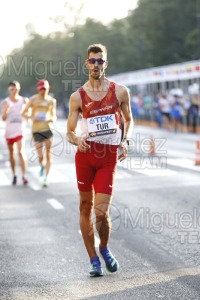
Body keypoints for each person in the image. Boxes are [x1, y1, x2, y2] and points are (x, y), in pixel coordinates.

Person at [67, 44, 133, 277]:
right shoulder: (77, 97)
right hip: (85, 157)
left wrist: (125, 141)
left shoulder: (120, 91)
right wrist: (76, 140)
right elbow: (70, 131)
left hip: (107, 157)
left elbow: (128, 119)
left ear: (106, 64)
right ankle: (93, 260)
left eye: (100, 61)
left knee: (101, 213)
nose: (96, 64)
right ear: (87, 64)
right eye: (92, 61)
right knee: (85, 206)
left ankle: (103, 247)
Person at [22, 80, 56, 187]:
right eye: (41, 89)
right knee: (41, 157)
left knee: (49, 155)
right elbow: (24, 113)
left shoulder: (51, 101)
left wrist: (51, 119)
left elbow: (53, 115)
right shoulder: (33, 99)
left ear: (48, 88)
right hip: (36, 130)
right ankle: (42, 165)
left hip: (48, 129)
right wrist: (32, 117)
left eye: (45, 89)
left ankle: (46, 178)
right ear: (38, 89)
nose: (43, 91)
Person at [1, 81, 28, 185]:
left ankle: (24, 176)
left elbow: (28, 115)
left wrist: (27, 115)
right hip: (9, 131)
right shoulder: (5, 102)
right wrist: (6, 110)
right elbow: (3, 119)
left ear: (19, 89)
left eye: (16, 89)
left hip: (20, 130)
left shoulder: (24, 101)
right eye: (12, 89)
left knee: (21, 152)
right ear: (9, 90)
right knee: (12, 154)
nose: (14, 91)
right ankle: (14, 175)